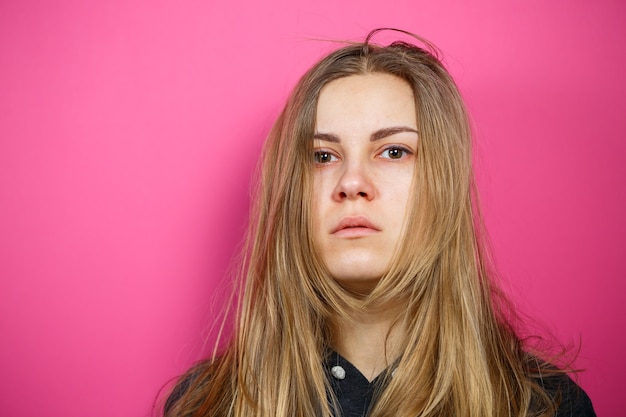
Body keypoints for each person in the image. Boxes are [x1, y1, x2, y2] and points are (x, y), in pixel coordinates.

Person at [162, 29, 596, 417]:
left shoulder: (545, 406)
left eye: (393, 151)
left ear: (443, 185)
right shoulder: (206, 404)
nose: (351, 183)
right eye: (323, 156)